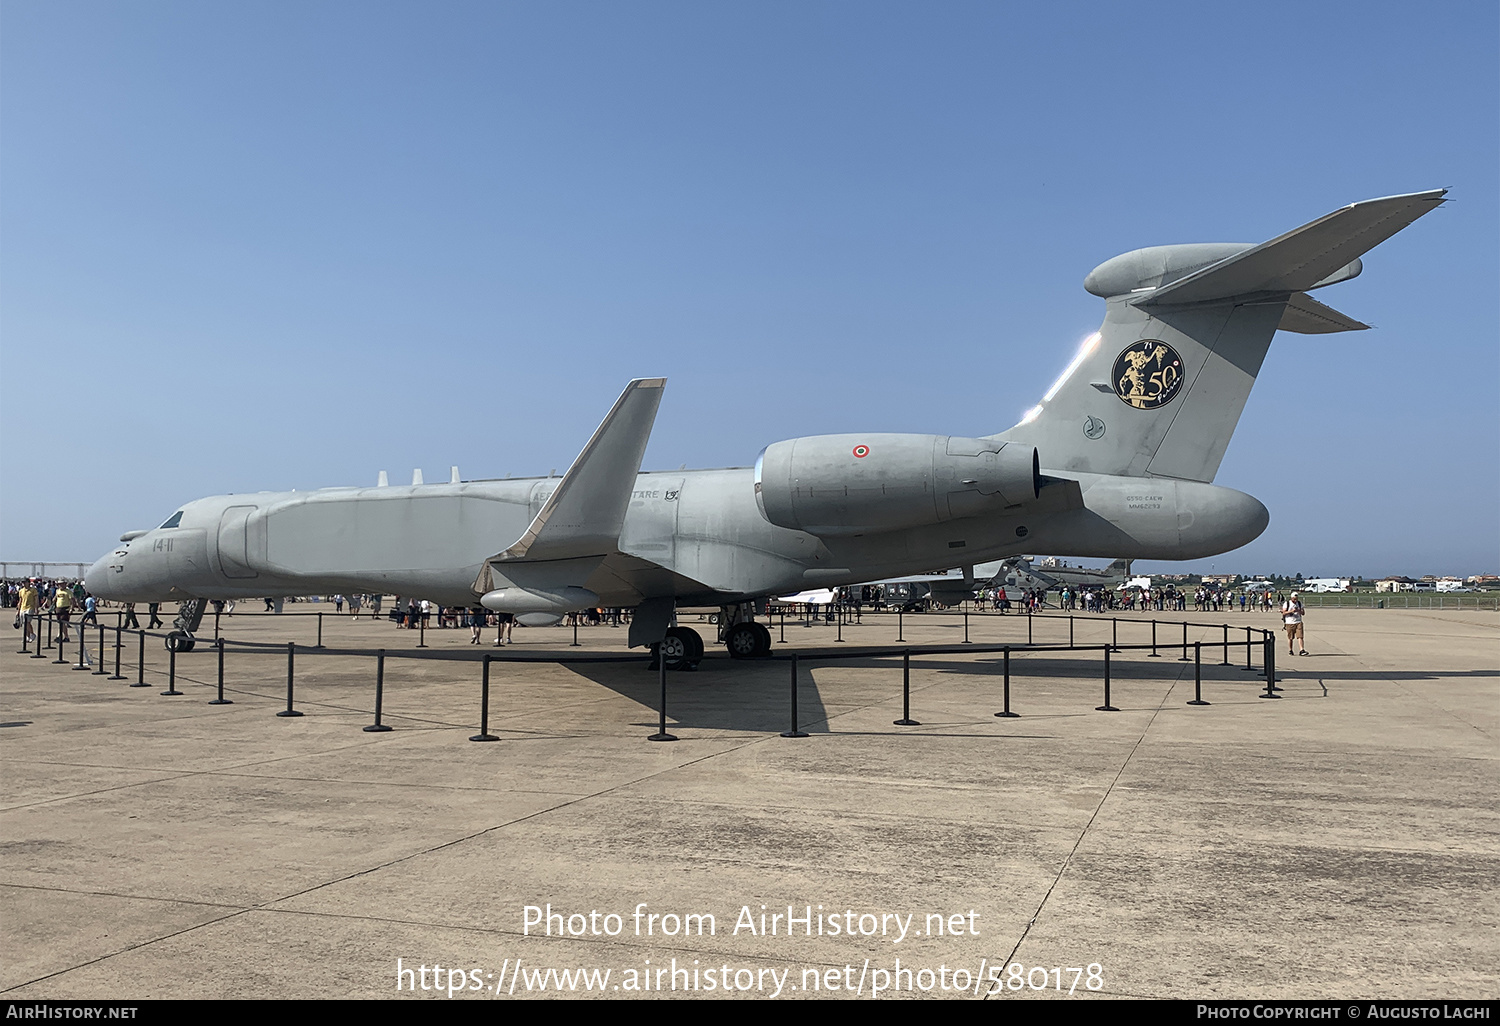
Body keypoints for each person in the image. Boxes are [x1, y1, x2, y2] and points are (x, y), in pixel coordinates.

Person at [1281, 591, 1307, 656]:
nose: (1295, 600)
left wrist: (1299, 610)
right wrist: (1291, 611)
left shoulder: (1299, 603)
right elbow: (1284, 612)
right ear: (1291, 598)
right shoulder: (1287, 603)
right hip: (1289, 622)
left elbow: (1303, 613)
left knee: (1300, 636)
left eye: (1296, 599)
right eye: (1294, 599)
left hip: (1298, 621)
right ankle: (1290, 649)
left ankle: (1302, 650)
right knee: (1291, 637)